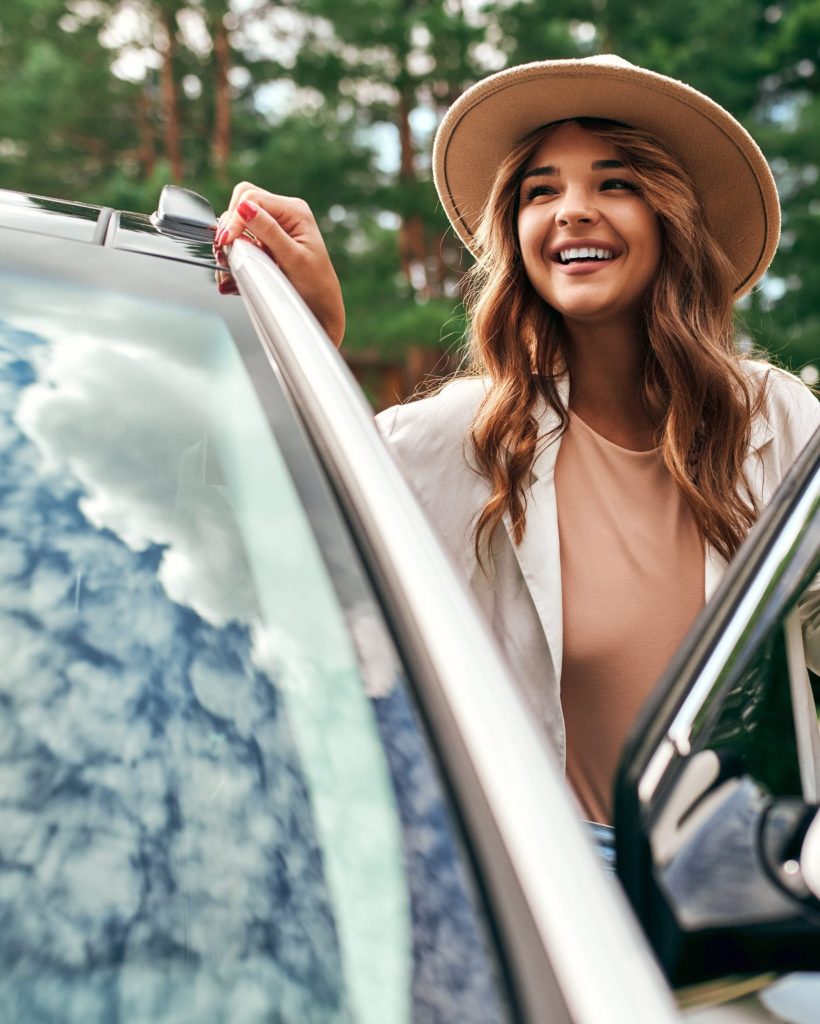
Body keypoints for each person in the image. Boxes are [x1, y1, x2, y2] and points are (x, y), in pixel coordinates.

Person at [215, 55, 820, 827]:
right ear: (517, 231)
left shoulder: (775, 419)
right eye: (542, 191)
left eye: (615, 183)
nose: (571, 210)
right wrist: (315, 342)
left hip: (750, 906)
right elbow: (280, 549)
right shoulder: (457, 438)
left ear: (673, 216)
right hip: (557, 913)